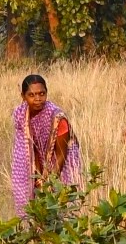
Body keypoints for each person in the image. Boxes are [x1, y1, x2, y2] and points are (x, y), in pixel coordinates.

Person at [9, 74, 82, 217]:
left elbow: (61, 155)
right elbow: (30, 149)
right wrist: (37, 175)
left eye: (42, 93)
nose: (37, 99)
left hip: (62, 163)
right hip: (40, 163)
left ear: (47, 93)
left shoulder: (57, 118)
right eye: (32, 95)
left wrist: (48, 182)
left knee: (60, 206)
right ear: (23, 96)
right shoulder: (21, 115)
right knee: (35, 209)